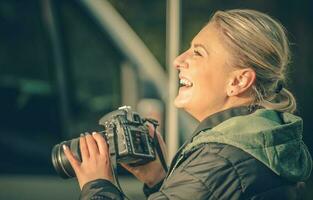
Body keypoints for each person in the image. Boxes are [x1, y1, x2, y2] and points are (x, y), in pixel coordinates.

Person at [63, 9, 312, 200]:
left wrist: (97, 185)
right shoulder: (262, 144)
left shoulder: (222, 158)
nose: (178, 60)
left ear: (238, 80)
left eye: (198, 52)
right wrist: (160, 180)